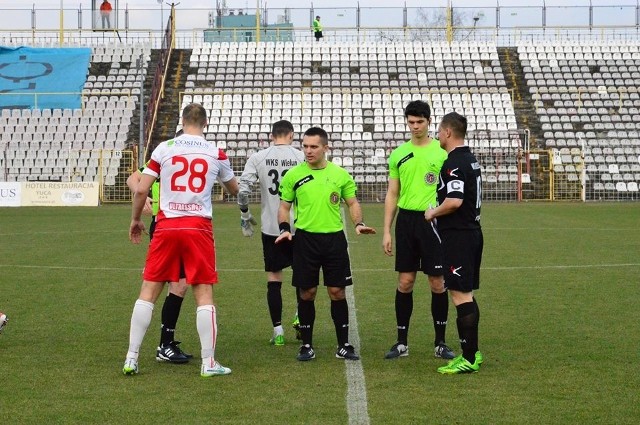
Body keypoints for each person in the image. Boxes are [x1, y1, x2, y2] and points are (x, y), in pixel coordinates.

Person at [123, 103, 239, 377]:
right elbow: (234, 188)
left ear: (183, 120)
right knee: (203, 293)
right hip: (198, 227)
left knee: (148, 291)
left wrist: (136, 219)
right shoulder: (215, 152)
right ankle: (209, 363)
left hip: (166, 225)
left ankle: (131, 358)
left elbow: (140, 188)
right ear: (205, 123)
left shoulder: (164, 148)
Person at [275, 127, 376, 362]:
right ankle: (306, 345)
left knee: (337, 292)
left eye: (313, 147)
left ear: (325, 148)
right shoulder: (293, 175)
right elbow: (284, 207)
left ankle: (343, 345)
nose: (308, 151)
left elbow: (352, 203)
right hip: (305, 240)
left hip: (334, 240)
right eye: (305, 146)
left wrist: (359, 223)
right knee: (307, 292)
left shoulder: (340, 175)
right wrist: (284, 230)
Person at [382, 100, 455, 361]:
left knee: (437, 283)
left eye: (420, 122)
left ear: (428, 122)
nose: (415, 127)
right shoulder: (398, 154)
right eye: (411, 122)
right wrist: (387, 231)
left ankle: (440, 342)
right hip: (407, 222)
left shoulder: (442, 152)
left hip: (434, 222)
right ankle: (401, 342)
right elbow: (392, 193)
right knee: (405, 282)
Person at [125, 129, 192, 365]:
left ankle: (162, 344)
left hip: (175, 226)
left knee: (176, 285)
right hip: (166, 225)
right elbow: (134, 179)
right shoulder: (167, 157)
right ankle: (164, 344)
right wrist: (143, 198)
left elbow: (136, 179)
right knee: (174, 284)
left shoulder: (170, 157)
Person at [425, 112, 484, 374]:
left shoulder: (455, 163)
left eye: (438, 130)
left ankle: (468, 358)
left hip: (459, 236)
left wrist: (432, 212)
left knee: (460, 295)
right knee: (466, 293)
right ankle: (473, 351)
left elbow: (455, 201)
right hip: (470, 232)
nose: (437, 135)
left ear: (448, 132)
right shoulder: (469, 159)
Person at [237, 120, 305, 346]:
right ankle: (300, 318)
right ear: (292, 135)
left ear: (271, 135)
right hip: (300, 226)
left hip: (270, 227)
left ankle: (278, 331)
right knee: (302, 277)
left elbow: (243, 191)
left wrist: (245, 215)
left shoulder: (258, 157)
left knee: (274, 278)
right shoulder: (301, 156)